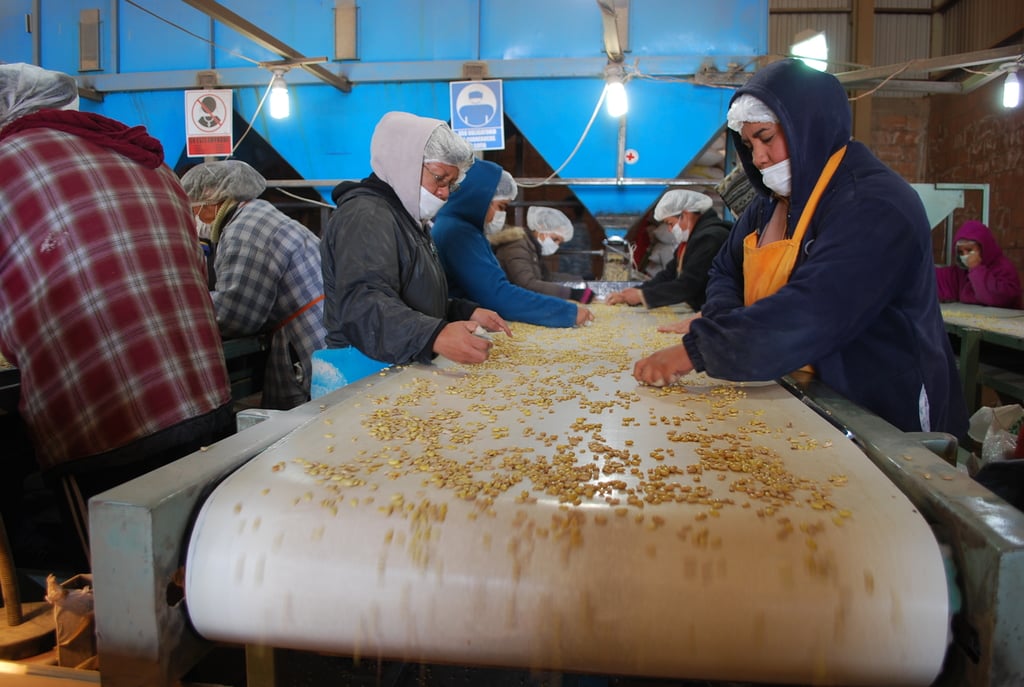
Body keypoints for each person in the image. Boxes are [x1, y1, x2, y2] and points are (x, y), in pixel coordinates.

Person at [633, 58, 968, 441]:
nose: (758, 158)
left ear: (807, 126)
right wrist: (724, 319)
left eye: (766, 138)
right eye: (748, 144)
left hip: (878, 408)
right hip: (799, 390)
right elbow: (725, 270)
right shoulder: (770, 203)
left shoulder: (873, 204)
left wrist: (698, 351)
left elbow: (818, 308)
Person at [0, 63, 234, 554]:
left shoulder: (8, 163)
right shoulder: (143, 157)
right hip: (207, 405)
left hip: (107, 429)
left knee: (116, 588)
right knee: (198, 566)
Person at [320, 111, 511, 384]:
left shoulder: (407, 220)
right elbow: (365, 306)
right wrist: (434, 335)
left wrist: (463, 311)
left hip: (394, 362)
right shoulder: (368, 215)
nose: (444, 193)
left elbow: (411, 295)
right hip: (360, 372)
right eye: (439, 178)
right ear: (404, 163)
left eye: (451, 185)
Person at [180, 160, 327, 410]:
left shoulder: (244, 231)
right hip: (319, 330)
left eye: (192, 208)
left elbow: (234, 316)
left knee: (306, 426)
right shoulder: (258, 212)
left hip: (305, 344)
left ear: (211, 200)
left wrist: (187, 306)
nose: (193, 218)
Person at [432, 160, 594, 327]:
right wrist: (566, 312)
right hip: (459, 325)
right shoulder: (459, 233)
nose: (502, 215)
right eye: (501, 207)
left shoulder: (462, 228)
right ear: (480, 198)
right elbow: (497, 294)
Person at [606, 190, 731, 311]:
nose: (670, 230)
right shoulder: (691, 240)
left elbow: (688, 285)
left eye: (670, 223)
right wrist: (637, 291)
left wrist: (643, 296)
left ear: (685, 215)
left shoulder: (710, 238)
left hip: (719, 311)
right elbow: (669, 274)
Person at [489, 206, 593, 302]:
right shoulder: (517, 246)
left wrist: (580, 280)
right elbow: (527, 284)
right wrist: (573, 294)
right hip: (505, 300)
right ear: (542, 228)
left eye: (559, 243)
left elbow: (547, 277)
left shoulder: (532, 247)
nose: (556, 245)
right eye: (555, 239)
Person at [935, 220, 1022, 309]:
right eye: (961, 252)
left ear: (983, 247)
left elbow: (996, 297)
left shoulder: (1003, 268)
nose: (965, 256)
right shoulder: (962, 272)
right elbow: (935, 279)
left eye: (969, 250)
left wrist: (976, 269)